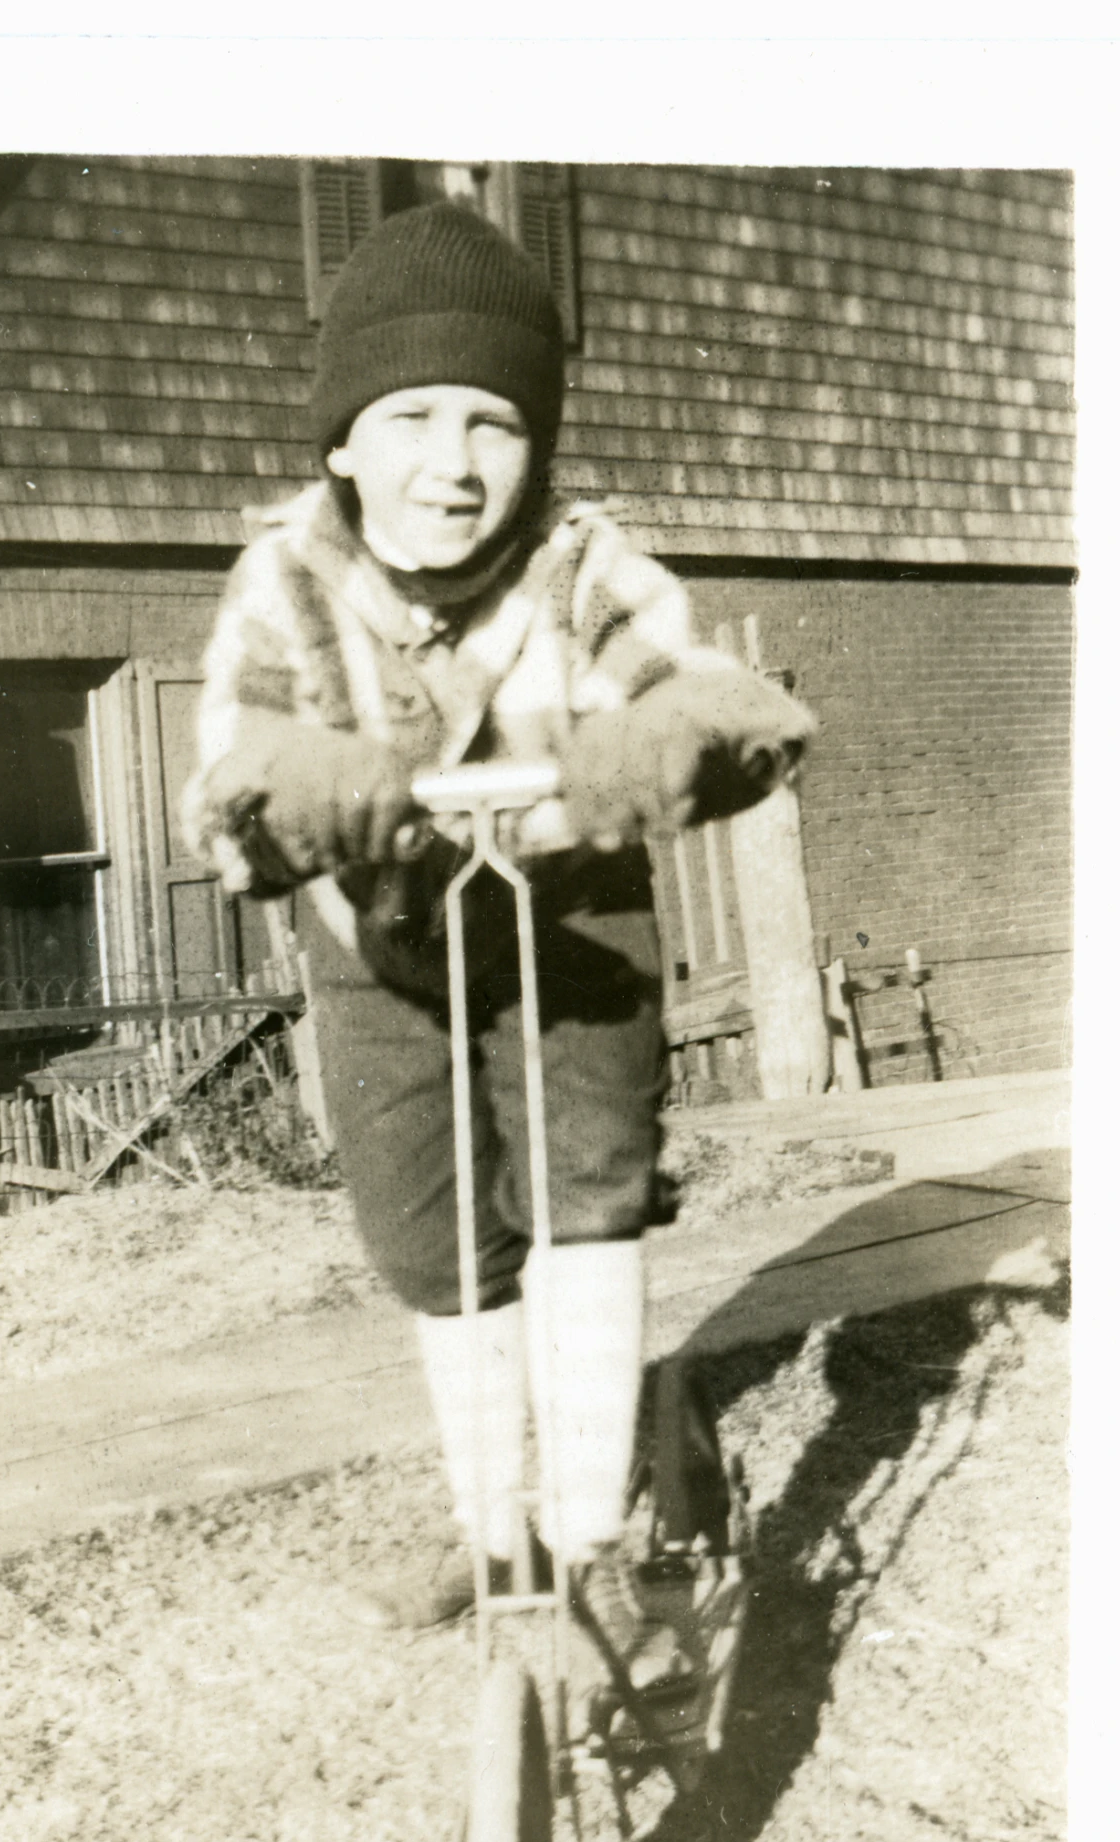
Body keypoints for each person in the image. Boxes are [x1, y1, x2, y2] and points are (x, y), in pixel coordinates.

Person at [182, 201, 812, 1649]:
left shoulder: (583, 567)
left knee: (585, 1198)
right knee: (429, 1241)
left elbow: (720, 696)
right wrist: (297, 779)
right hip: (382, 950)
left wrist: (666, 736)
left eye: (493, 425)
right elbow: (231, 761)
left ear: (535, 447)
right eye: (409, 418)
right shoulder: (284, 576)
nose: (452, 468)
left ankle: (587, 1532)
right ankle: (493, 1525)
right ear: (342, 441)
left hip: (571, 928)